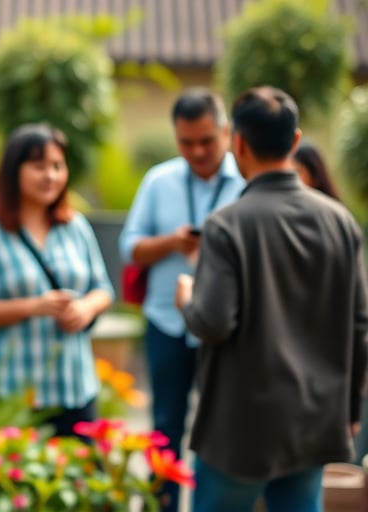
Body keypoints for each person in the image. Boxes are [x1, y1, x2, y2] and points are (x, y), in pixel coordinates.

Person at [175, 85, 368, 512]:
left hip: (238, 428)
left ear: (237, 143)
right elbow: (360, 326)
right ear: (295, 141)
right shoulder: (341, 222)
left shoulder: (227, 226)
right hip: (313, 422)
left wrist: (187, 299)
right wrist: (350, 408)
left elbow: (213, 322)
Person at [118, 88, 246, 512]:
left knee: (221, 431)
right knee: (165, 427)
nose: (197, 151)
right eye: (186, 142)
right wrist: (172, 243)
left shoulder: (248, 183)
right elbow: (129, 247)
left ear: (227, 133)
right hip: (166, 323)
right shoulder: (160, 180)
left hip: (225, 328)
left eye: (207, 141)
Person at [0, 122, 114, 437]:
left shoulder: (75, 226)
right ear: (14, 171)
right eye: (39, 166)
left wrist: (86, 309)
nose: (50, 176)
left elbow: (103, 288)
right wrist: (30, 306)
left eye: (57, 166)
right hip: (10, 394)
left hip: (74, 388)